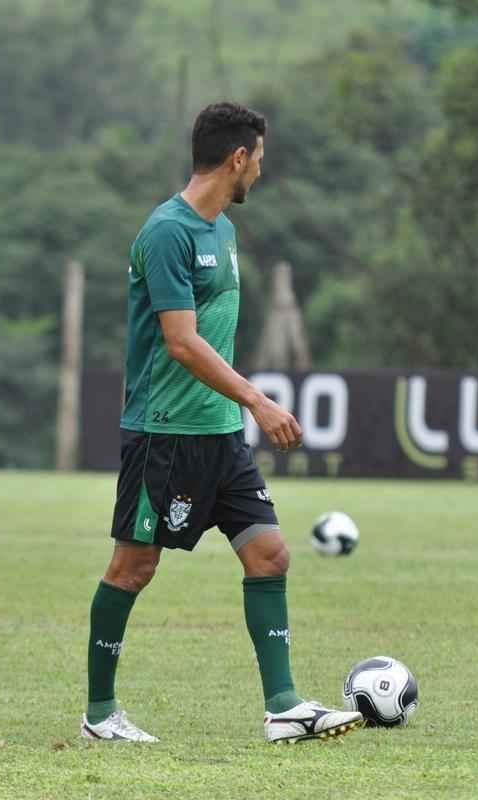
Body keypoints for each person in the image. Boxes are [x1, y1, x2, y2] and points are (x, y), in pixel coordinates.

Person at [80, 102, 364, 745]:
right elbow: (180, 342)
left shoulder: (225, 232)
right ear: (237, 158)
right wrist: (258, 401)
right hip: (164, 432)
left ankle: (284, 705)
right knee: (132, 568)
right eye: (259, 160)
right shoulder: (166, 232)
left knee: (269, 554)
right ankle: (100, 713)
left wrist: (239, 412)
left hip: (219, 436)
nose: (261, 172)